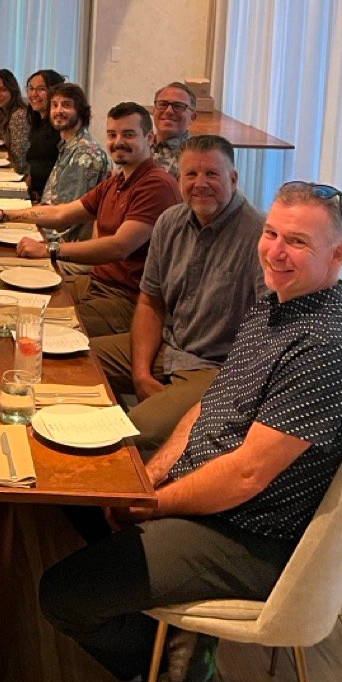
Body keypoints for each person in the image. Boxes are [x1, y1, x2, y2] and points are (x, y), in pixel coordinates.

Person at [39, 181, 342, 682]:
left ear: (339, 255)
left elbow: (245, 477)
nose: (275, 251)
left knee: (64, 594)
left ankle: (166, 663)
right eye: (270, 234)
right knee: (69, 485)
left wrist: (151, 504)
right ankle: (158, 614)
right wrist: (149, 475)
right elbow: (210, 405)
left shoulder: (326, 347)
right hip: (213, 499)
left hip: (250, 534)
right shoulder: (276, 305)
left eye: (297, 242)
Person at [92, 135, 266, 454]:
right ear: (179, 178)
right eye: (191, 174)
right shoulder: (170, 222)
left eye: (211, 174)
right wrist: (141, 372)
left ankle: (112, 498)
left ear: (233, 178)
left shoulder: (259, 237)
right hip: (170, 345)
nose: (200, 184)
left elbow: (267, 335)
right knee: (75, 362)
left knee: (131, 431)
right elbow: (150, 300)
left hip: (215, 366)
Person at [16, 102, 181, 337]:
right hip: (97, 282)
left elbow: (119, 246)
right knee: (22, 298)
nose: (118, 141)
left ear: (150, 138)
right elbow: (61, 213)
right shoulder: (117, 181)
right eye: (112, 134)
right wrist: (1, 215)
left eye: (128, 134)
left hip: (128, 299)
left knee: (38, 330)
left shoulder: (156, 185)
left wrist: (48, 249)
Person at [38, 82, 110, 236]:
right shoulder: (69, 145)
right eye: (54, 105)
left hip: (64, 246)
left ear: (80, 111)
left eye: (66, 105)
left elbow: (67, 221)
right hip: (50, 231)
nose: (58, 111)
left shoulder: (84, 155)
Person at [24, 68, 64, 200]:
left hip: (47, 201)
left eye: (41, 89)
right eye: (31, 88)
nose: (33, 94)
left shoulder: (59, 128)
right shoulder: (38, 122)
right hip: (34, 194)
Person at [0, 68, 29, 174]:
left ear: (12, 90)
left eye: (3, 89)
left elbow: (19, 159)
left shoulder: (19, 115)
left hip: (19, 175)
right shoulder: (1, 112)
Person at [151, 81, 198, 177]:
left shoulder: (197, 157)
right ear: (153, 111)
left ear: (192, 117)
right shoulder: (138, 146)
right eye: (163, 104)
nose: (169, 111)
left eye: (178, 106)